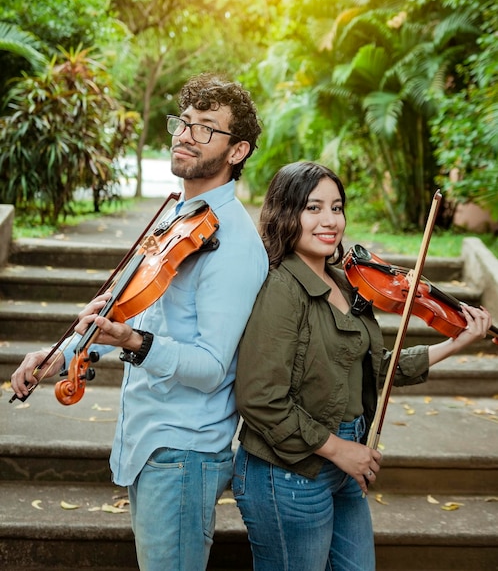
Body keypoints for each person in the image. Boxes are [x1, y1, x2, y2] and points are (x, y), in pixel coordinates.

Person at [10, 73, 269, 571]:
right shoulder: (177, 217)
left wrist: (133, 340)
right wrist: (59, 356)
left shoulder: (232, 242)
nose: (186, 135)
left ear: (237, 151)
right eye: (184, 122)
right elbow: (125, 307)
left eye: (205, 129)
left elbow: (214, 367)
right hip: (155, 444)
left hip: (183, 451)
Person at [232, 161, 493, 571]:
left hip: (344, 458)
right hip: (289, 473)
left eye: (337, 208)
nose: (329, 220)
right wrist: (341, 451)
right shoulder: (282, 287)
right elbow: (259, 399)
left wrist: (456, 341)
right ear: (286, 213)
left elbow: (376, 367)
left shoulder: (343, 281)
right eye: (313, 208)